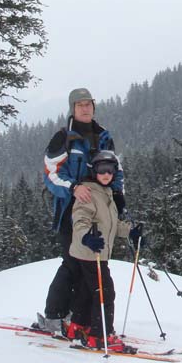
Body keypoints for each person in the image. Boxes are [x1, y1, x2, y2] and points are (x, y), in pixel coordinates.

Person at [36, 87, 126, 337]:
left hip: (99, 210)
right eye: (80, 105)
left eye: (88, 104)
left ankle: (78, 317)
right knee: (72, 263)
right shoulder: (63, 138)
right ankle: (54, 315)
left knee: (90, 265)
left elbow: (115, 170)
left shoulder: (103, 136)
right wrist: (73, 188)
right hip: (69, 211)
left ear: (93, 107)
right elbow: (51, 174)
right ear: (72, 109)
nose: (85, 108)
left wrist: (119, 199)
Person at [69, 150, 143, 351]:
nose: (106, 174)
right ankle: (101, 335)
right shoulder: (88, 192)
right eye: (102, 169)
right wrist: (87, 237)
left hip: (96, 252)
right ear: (94, 170)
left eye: (110, 170)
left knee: (88, 291)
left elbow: (112, 225)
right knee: (105, 292)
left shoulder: (107, 193)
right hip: (90, 252)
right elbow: (80, 220)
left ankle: (78, 326)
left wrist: (130, 232)